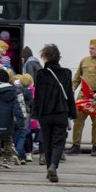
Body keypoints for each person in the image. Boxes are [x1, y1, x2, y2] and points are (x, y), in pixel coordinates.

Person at [32, 44, 77, 183]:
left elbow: (38, 96)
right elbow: (69, 94)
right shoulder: (67, 73)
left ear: (45, 57)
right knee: (58, 142)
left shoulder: (40, 74)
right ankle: (53, 167)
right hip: (61, 112)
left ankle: (48, 169)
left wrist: (35, 115)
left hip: (45, 114)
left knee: (47, 141)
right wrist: (72, 113)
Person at [70, 39, 96, 157]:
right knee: (78, 120)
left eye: (93, 48)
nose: (90, 50)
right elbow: (77, 78)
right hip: (83, 95)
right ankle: (76, 146)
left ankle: (95, 147)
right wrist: (72, 89)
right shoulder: (84, 60)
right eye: (89, 48)